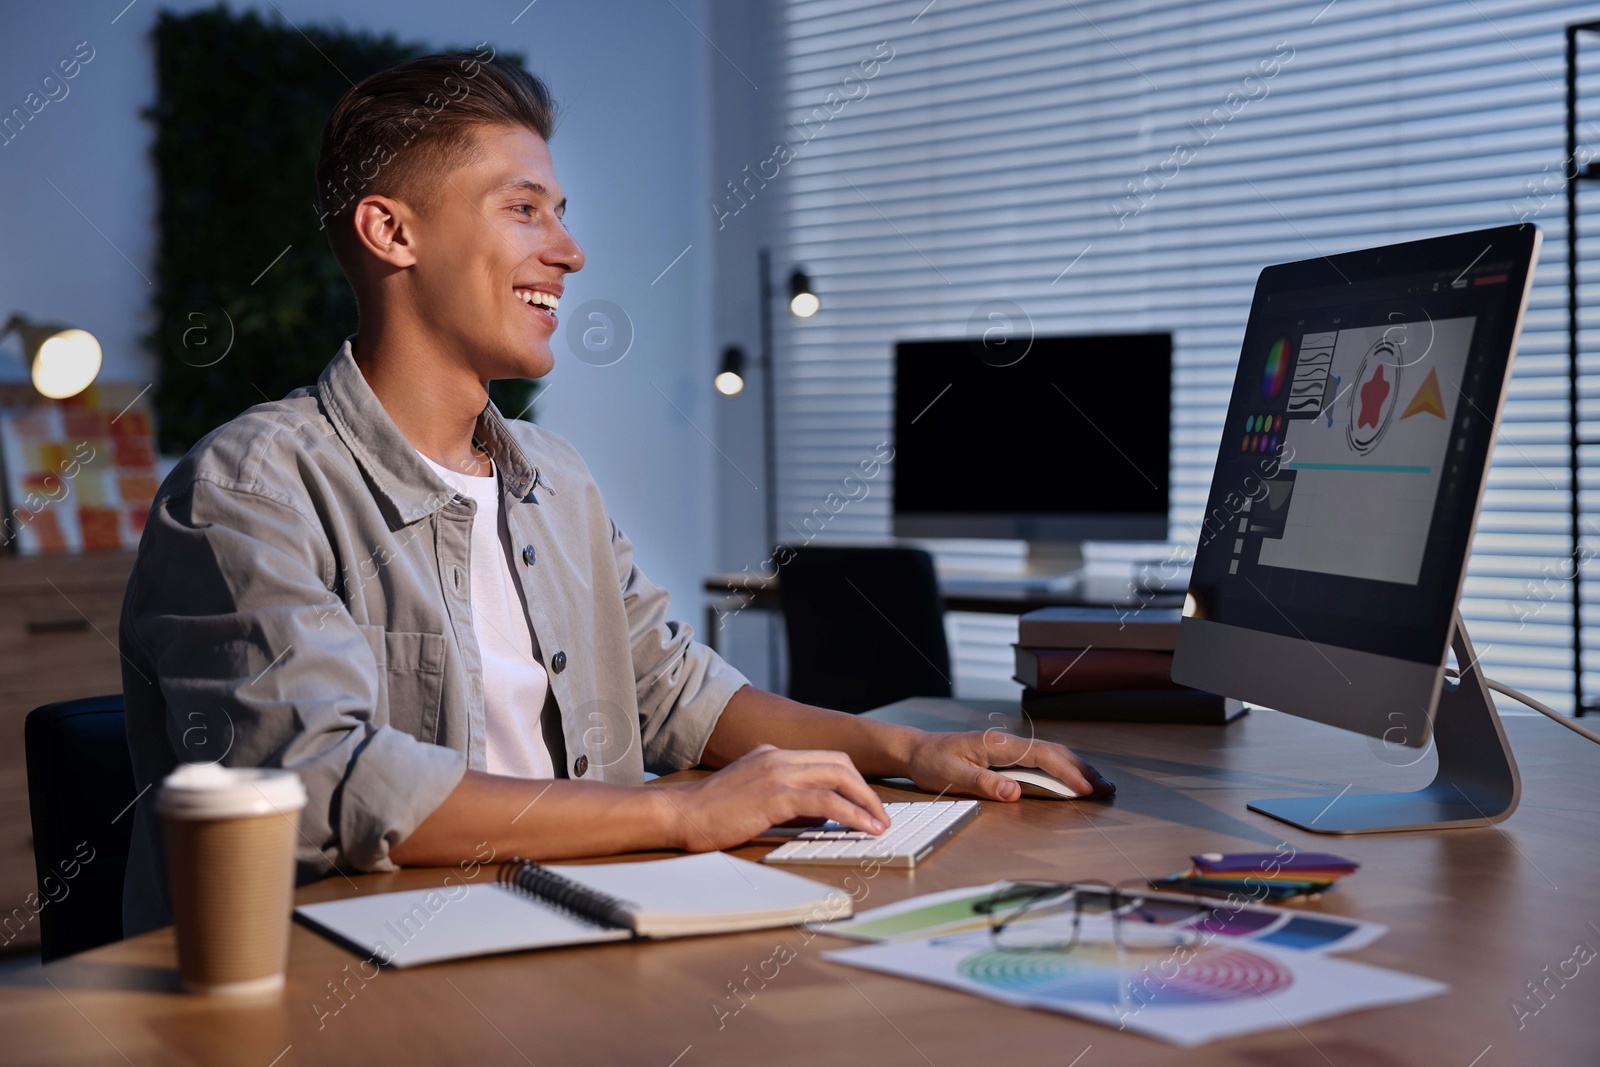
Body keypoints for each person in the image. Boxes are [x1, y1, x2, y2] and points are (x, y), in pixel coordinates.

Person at [120, 50, 1109, 936]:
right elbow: (326, 782)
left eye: (561, 212)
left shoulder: (556, 478)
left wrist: (908, 748)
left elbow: (678, 694)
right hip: (356, 980)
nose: (569, 249)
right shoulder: (249, 487)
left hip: (565, 925)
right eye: (523, 208)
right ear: (392, 232)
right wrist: (680, 812)